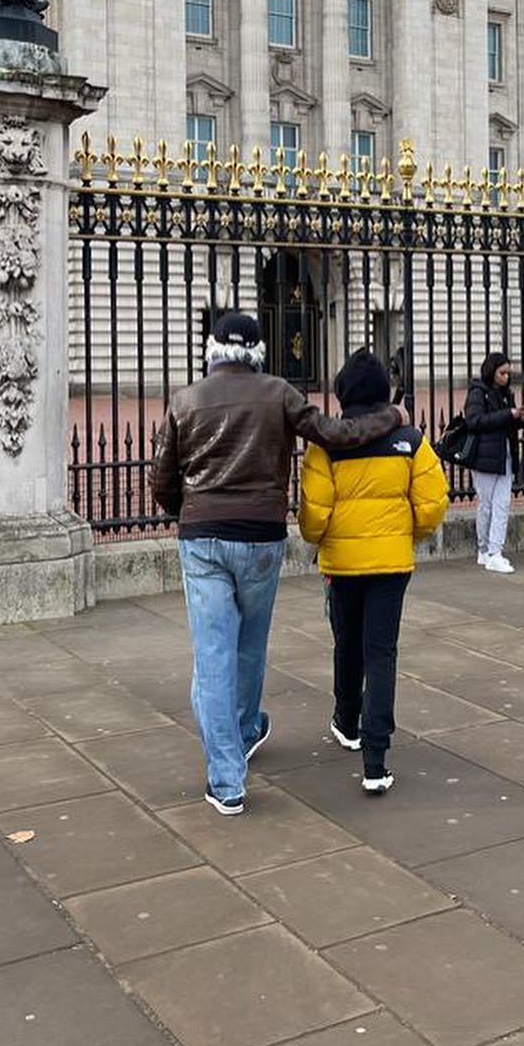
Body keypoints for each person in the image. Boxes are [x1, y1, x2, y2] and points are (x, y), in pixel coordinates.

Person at [151, 313, 400, 817]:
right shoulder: (281, 393)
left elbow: (163, 478)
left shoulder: (185, 400)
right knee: (248, 648)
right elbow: (337, 433)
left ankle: (227, 777)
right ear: (259, 352)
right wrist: (390, 417)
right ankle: (242, 731)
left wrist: (189, 512)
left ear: (213, 349)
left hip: (203, 536)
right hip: (262, 535)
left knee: (213, 654)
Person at [298, 349, 448, 795]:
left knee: (347, 644)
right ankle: (376, 759)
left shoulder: (326, 443)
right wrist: (407, 534)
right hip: (391, 562)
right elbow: (433, 502)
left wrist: (323, 538)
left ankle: (347, 721)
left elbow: (312, 516)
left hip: (342, 564)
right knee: (381, 652)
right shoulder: (409, 440)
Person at [464, 351, 524, 574]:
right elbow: (474, 421)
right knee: (486, 505)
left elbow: (507, 423)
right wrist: (509, 415)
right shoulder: (478, 392)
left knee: (501, 504)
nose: (506, 377)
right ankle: (484, 550)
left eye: (508, 373)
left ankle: (495, 551)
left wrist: (519, 418)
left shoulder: (506, 394)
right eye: (502, 373)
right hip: (485, 455)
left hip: (504, 454)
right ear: (492, 372)